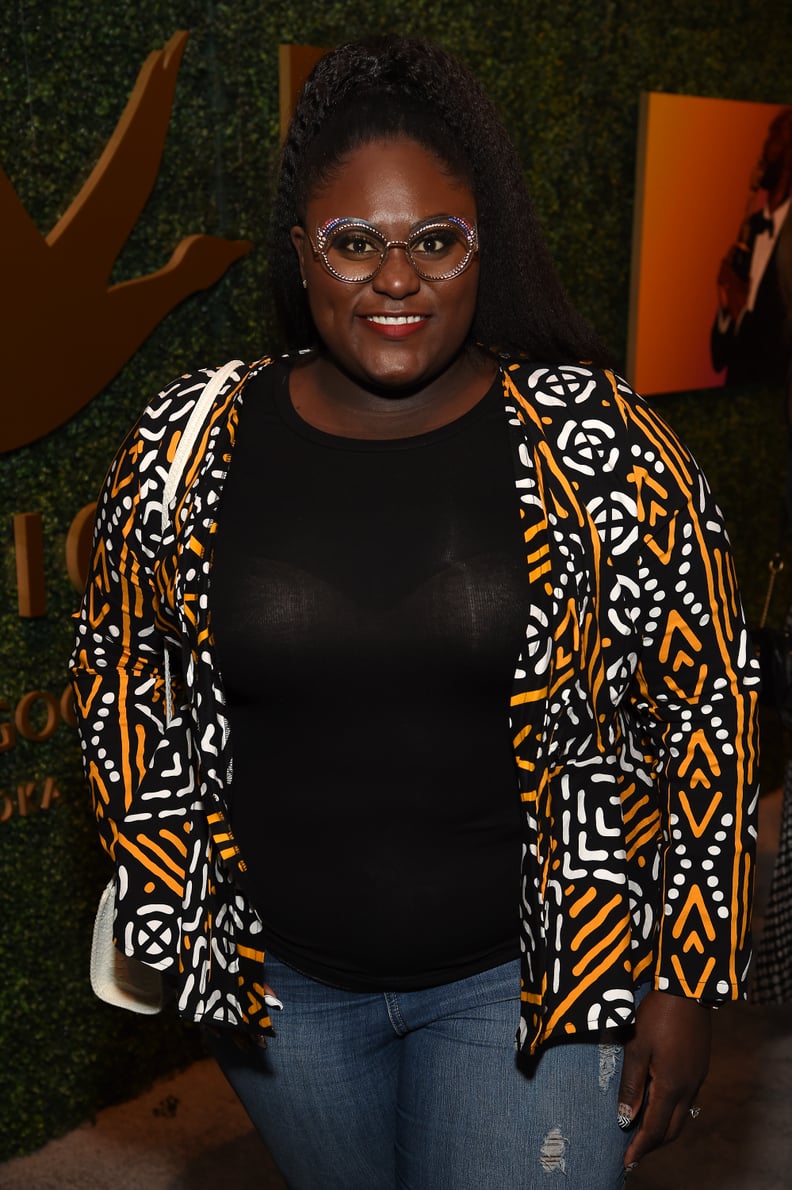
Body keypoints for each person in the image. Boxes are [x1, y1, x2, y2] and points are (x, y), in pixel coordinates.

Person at [70, 35, 760, 1190]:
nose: (398, 279)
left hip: (531, 979)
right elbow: (122, 683)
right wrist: (173, 900)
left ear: (481, 245)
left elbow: (708, 705)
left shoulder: (602, 449)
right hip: (280, 995)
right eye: (354, 244)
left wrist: (687, 975)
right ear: (303, 252)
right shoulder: (188, 445)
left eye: (436, 240)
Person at [711, 106, 792, 391]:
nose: (763, 151)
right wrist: (725, 305)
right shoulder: (753, 226)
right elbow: (719, 359)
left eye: (773, 139)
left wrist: (740, 311)